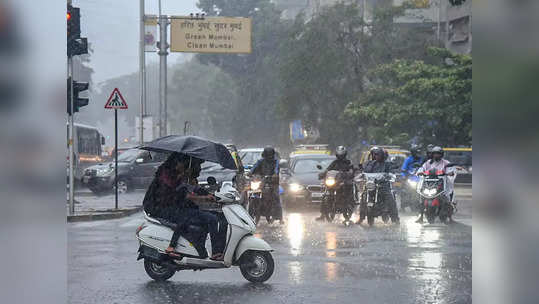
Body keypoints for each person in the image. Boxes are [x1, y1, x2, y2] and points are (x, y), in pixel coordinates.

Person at [143, 153, 225, 260]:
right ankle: (172, 247)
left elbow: (193, 188)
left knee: (213, 217)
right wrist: (203, 198)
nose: (199, 169)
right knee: (207, 218)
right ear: (178, 162)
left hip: (171, 206)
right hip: (159, 208)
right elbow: (182, 194)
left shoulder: (178, 174)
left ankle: (199, 248)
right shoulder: (166, 175)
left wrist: (211, 195)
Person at [357, 147, 400, 224]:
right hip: (371, 185)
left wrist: (391, 174)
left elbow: (393, 170)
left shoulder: (387, 164)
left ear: (382, 155)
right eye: (374, 154)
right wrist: (361, 173)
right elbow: (364, 171)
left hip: (383, 186)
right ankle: (361, 217)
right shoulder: (369, 164)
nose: (375, 156)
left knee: (390, 199)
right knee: (363, 197)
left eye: (377, 154)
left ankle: (395, 219)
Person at [416, 146, 455, 223]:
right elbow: (422, 168)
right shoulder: (428, 162)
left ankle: (450, 217)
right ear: (432, 154)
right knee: (421, 196)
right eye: (435, 154)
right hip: (429, 183)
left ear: (441, 154)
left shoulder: (446, 163)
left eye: (438, 154)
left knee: (447, 196)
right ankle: (420, 215)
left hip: (442, 183)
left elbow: (451, 170)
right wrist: (420, 171)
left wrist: (449, 172)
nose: (436, 155)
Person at [316, 146, 354, 222]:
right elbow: (328, 169)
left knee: (346, 194)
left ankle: (346, 214)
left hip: (344, 182)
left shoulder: (348, 162)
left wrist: (348, 174)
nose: (340, 156)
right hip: (334, 183)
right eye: (339, 154)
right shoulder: (335, 162)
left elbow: (351, 171)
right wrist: (323, 174)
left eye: (341, 154)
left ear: (344, 154)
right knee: (324, 195)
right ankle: (323, 215)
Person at [250, 146, 284, 224]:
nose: (269, 157)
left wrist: (275, 174)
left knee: (276, 196)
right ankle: (253, 209)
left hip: (273, 182)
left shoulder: (276, 162)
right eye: (267, 155)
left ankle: (280, 217)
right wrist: (250, 172)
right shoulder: (260, 161)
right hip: (262, 182)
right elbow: (254, 167)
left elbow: (276, 168)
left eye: (270, 155)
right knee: (254, 193)